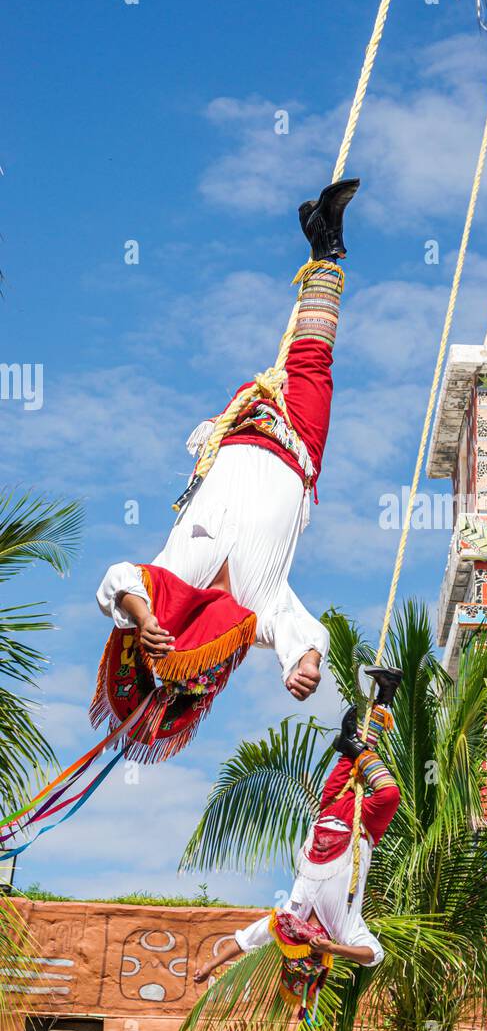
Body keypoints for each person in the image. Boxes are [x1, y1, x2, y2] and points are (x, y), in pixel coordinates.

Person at [92, 180, 359, 760]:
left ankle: (322, 244)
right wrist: (304, 666)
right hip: (297, 450)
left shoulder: (169, 584)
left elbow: (118, 580)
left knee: (300, 356)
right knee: (313, 356)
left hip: (240, 428)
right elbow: (301, 634)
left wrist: (142, 618)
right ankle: (326, 247)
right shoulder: (257, 615)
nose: (206, 648)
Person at [195, 666, 402, 1005]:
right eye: (313, 955)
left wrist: (209, 966)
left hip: (326, 816)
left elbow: (245, 940)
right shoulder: (345, 929)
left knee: (354, 753)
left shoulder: (291, 914)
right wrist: (334, 948)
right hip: (360, 826)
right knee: (385, 789)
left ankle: (386, 695)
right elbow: (371, 955)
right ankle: (365, 734)